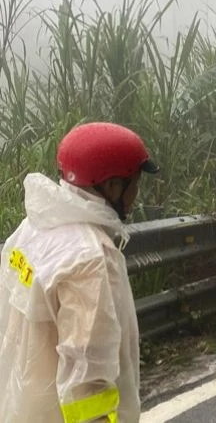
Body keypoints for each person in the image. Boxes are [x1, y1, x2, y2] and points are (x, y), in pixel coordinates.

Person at [0, 121, 160, 423]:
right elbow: (88, 377)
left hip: (18, 407)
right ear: (112, 186)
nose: (136, 193)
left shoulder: (32, 229)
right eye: (134, 182)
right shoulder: (90, 258)